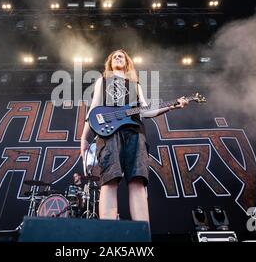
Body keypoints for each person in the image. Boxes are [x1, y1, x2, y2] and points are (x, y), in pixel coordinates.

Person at [80, 49, 189, 222]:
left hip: (135, 133)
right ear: (110, 62)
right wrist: (84, 138)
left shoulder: (135, 84)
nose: (117, 57)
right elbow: (93, 108)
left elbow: (146, 111)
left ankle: (142, 232)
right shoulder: (103, 80)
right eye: (114, 56)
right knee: (110, 179)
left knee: (137, 180)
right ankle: (108, 232)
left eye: (121, 56)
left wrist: (173, 105)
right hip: (109, 133)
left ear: (127, 62)